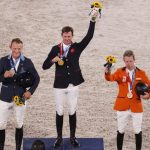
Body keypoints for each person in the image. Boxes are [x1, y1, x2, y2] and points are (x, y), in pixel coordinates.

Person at [42, 11, 99, 148]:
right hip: (59, 85)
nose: (67, 38)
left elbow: (89, 36)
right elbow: (44, 66)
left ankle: (72, 137)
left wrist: (92, 20)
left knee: (72, 110)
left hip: (73, 84)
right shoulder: (55, 49)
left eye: (69, 36)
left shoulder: (77, 47)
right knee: (59, 111)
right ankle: (59, 138)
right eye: (65, 36)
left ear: (72, 36)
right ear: (62, 36)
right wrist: (52, 60)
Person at [104, 50, 150, 150]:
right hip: (122, 106)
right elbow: (110, 78)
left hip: (136, 105)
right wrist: (107, 72)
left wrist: (148, 95)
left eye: (130, 61)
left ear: (134, 60)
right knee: (120, 130)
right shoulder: (119, 72)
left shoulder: (141, 73)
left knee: (137, 131)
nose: (129, 64)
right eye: (127, 61)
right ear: (124, 61)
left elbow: (149, 86)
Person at [0, 38, 40, 150]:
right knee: (1, 124)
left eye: (19, 48)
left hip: (20, 96)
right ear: (10, 47)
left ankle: (18, 148)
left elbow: (37, 78)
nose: (16, 51)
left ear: (21, 48)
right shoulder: (3, 60)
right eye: (14, 48)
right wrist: (4, 76)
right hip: (5, 97)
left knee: (19, 123)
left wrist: (30, 91)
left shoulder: (27, 62)